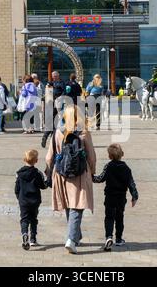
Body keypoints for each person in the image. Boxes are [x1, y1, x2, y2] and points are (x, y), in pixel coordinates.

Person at [45, 106, 96, 254]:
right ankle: (71, 240)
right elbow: (91, 155)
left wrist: (48, 173)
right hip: (80, 173)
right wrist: (92, 171)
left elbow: (49, 156)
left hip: (61, 173)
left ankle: (76, 236)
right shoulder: (84, 132)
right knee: (77, 206)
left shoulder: (57, 133)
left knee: (69, 204)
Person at [93, 143, 139, 251]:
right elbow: (131, 183)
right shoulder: (126, 168)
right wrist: (134, 196)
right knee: (119, 218)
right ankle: (118, 239)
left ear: (110, 156)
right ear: (121, 154)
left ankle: (109, 237)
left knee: (109, 217)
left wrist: (90, 177)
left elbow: (100, 178)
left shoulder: (108, 166)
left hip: (109, 197)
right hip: (121, 198)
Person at [15, 149, 48, 250]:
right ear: (36, 161)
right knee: (33, 219)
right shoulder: (37, 173)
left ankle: (24, 233)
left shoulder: (19, 174)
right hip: (34, 200)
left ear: (24, 159)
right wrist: (47, 181)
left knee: (24, 219)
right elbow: (43, 186)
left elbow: (17, 189)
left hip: (23, 201)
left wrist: (19, 198)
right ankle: (33, 239)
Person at [41, 71, 65, 148]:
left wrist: (61, 98)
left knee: (58, 120)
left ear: (58, 76)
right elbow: (47, 89)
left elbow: (64, 91)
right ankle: (47, 135)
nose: (54, 77)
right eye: (53, 76)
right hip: (52, 102)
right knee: (52, 120)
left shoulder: (61, 83)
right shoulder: (51, 82)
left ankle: (52, 137)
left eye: (55, 76)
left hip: (59, 102)